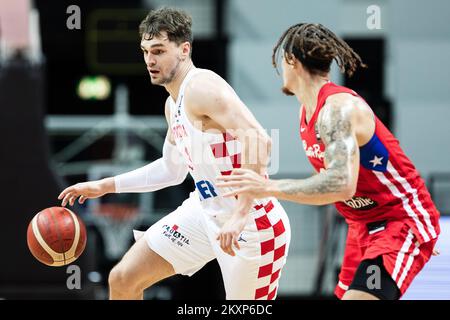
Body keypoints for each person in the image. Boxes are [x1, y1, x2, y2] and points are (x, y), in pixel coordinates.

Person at [58, 7, 290, 300]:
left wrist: (241, 214)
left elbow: (260, 140)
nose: (150, 60)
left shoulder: (202, 87)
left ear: (184, 49)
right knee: (123, 279)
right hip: (205, 211)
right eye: (145, 51)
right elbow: (171, 169)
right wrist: (103, 186)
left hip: (253, 225)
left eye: (158, 51)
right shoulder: (173, 105)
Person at [216, 23, 440, 300]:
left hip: (397, 222)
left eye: (281, 63)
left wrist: (267, 187)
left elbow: (340, 184)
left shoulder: (337, 110)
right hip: (361, 227)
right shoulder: (307, 111)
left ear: (291, 61)